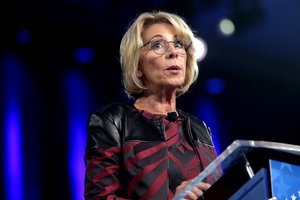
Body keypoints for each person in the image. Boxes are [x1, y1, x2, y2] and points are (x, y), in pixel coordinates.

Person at [84, 10, 221, 200]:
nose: (174, 52)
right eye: (157, 45)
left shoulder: (200, 129)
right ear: (138, 66)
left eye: (179, 44)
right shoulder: (113, 121)